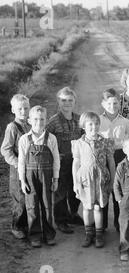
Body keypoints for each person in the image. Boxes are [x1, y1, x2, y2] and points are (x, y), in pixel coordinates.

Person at [72, 112, 115, 248]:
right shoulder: (78, 143)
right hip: (85, 179)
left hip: (101, 178)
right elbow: (76, 163)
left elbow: (111, 162)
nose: (94, 127)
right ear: (83, 126)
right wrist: (76, 182)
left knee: (97, 208)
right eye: (90, 124)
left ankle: (99, 234)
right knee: (87, 207)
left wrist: (112, 180)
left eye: (96, 124)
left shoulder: (105, 142)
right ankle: (88, 233)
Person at [18, 106, 60, 248]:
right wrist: (23, 181)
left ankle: (49, 234)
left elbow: (56, 160)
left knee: (48, 205)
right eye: (35, 119)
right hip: (30, 177)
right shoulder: (24, 139)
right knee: (32, 206)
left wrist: (55, 179)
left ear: (46, 120)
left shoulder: (51, 138)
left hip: (47, 177)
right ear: (29, 120)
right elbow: (21, 162)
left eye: (42, 119)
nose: (38, 122)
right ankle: (34, 235)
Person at [46, 87, 84, 234]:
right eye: (63, 100)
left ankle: (73, 214)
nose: (67, 103)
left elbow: (85, 136)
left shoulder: (79, 119)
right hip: (60, 163)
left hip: (76, 162)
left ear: (74, 102)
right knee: (60, 191)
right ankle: (61, 220)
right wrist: (52, 155)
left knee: (75, 189)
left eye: (70, 100)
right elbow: (44, 140)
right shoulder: (53, 122)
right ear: (58, 102)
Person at [99, 88, 129, 232]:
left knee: (119, 189)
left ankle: (120, 224)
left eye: (115, 103)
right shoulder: (98, 120)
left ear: (119, 104)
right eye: (109, 103)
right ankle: (102, 224)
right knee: (104, 188)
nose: (112, 106)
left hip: (120, 155)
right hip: (103, 156)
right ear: (103, 104)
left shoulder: (125, 122)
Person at [1, 94, 30, 239]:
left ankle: (28, 224)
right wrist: (17, 163)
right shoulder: (12, 127)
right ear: (13, 110)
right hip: (18, 169)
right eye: (20, 109)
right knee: (20, 198)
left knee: (30, 195)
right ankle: (17, 226)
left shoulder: (31, 124)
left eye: (26, 108)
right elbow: (5, 149)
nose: (23, 111)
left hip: (31, 167)